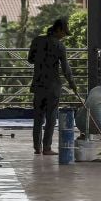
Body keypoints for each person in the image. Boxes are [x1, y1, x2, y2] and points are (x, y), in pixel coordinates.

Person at [28, 18, 77, 155]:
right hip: (53, 86)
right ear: (59, 29)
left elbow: (30, 60)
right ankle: (47, 148)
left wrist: (41, 59)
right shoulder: (59, 46)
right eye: (64, 33)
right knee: (50, 118)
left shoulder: (37, 40)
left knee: (38, 117)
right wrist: (72, 83)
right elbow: (66, 69)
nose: (64, 36)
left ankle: (37, 147)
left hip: (38, 84)